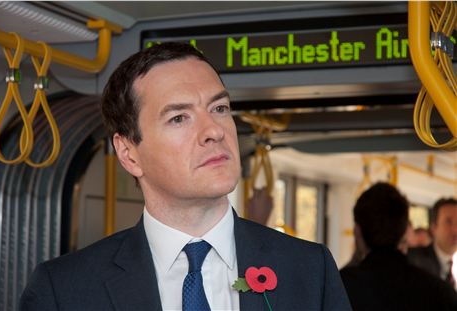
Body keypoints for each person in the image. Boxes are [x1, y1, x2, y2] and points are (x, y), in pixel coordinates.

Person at [20, 42, 351, 310]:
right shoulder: (64, 291)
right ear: (129, 153)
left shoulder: (309, 269)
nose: (213, 131)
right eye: (179, 118)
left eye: (219, 109)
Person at [340, 183, 457, 311]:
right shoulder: (441, 293)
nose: (455, 230)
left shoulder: (339, 288)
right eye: (448, 222)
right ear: (405, 232)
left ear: (357, 232)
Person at [408, 198, 457, 288]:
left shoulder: (451, 267)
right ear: (433, 228)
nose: (455, 230)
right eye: (448, 222)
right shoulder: (415, 261)